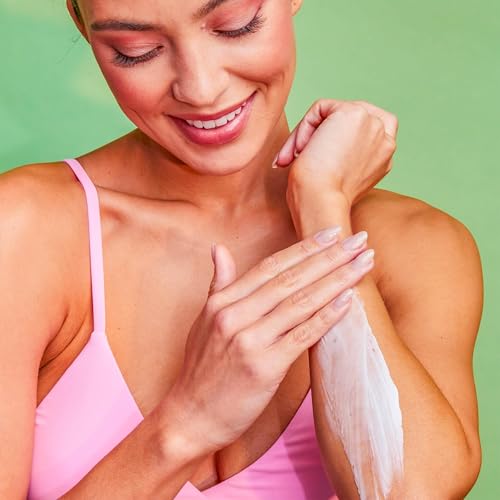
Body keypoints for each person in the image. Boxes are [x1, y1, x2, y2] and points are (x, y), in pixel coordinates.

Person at [0, 0, 483, 498]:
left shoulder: (418, 246)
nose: (201, 88)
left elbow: (406, 492)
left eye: (235, 26)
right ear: (83, 26)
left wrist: (322, 211)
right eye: (137, 50)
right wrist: (188, 423)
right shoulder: (23, 231)